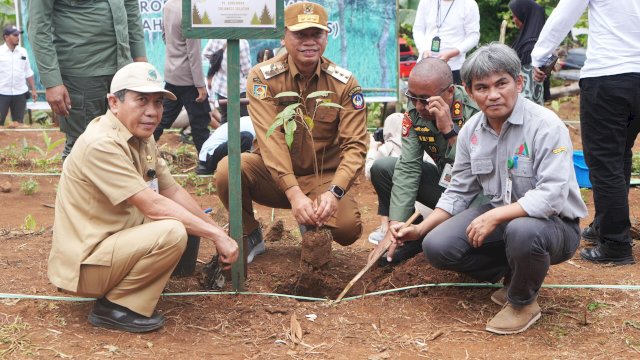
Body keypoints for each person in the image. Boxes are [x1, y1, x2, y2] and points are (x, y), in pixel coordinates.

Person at [386, 43, 587, 334]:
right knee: (436, 246)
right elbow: (458, 191)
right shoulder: (471, 132)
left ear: (518, 83)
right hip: (503, 220)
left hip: (555, 226)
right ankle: (515, 273)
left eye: (501, 83)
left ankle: (521, 302)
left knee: (522, 230)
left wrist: (497, 216)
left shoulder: (545, 125)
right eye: (482, 87)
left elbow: (552, 195)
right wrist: (420, 229)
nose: (493, 95)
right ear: (468, 91)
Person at [49, 62, 238, 333]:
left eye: (158, 102)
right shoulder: (101, 144)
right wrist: (216, 237)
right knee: (172, 230)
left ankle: (124, 290)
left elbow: (171, 190)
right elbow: (152, 204)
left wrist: (217, 230)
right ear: (114, 102)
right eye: (141, 101)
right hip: (87, 265)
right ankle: (115, 306)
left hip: (112, 246)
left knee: (185, 223)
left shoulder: (140, 135)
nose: (152, 112)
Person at [215, 1, 368, 263]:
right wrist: (294, 193)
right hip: (272, 176)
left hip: (321, 178)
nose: (309, 41)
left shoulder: (344, 83)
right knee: (229, 169)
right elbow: (270, 139)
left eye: (316, 34)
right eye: (300, 34)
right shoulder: (263, 77)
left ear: (326, 35)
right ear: (284, 35)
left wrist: (335, 192)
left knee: (347, 229)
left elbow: (355, 145)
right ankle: (251, 233)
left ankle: (313, 222)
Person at [531, 0, 640, 265]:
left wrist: (539, 57)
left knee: (604, 163)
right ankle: (606, 225)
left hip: (609, 77)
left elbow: (562, 16)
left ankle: (615, 245)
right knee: (621, 155)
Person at [370, 58, 480, 264]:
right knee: (384, 168)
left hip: (480, 195)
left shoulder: (475, 111)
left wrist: (450, 131)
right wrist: (396, 227)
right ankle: (411, 238)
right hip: (446, 187)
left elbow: (479, 170)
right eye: (413, 97)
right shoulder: (414, 114)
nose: (419, 106)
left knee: (449, 245)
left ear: (449, 92)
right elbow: (408, 169)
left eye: (426, 100)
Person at [28, 0, 146, 158]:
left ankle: (121, 183)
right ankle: (77, 183)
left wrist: (141, 61)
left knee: (126, 141)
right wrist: (52, 82)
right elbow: (38, 29)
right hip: (81, 75)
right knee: (83, 145)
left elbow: (131, 10)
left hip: (122, 71)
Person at [152, 0, 211, 154]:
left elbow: (165, 36)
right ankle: (206, 164)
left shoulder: (168, 5)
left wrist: (176, 54)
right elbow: (193, 52)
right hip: (189, 78)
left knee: (162, 118)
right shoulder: (190, 10)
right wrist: (200, 84)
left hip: (172, 73)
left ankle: (142, 151)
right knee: (200, 121)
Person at [412, 0, 480, 85]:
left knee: (452, 97)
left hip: (454, 68)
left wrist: (453, 53)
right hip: (425, 66)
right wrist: (423, 50)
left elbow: (473, 36)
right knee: (421, 97)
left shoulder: (469, 4)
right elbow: (418, 29)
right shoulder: (426, 2)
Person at [202, 39, 251, 125]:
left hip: (221, 87)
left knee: (226, 118)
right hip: (239, 88)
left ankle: (224, 137)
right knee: (244, 120)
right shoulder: (242, 42)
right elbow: (246, 69)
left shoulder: (216, 37)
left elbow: (206, 54)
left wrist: (218, 62)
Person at [508, 0, 548, 104]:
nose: (513, 20)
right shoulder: (535, 42)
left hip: (526, 108)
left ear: (524, 16)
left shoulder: (530, 47)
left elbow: (527, 90)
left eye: (514, 16)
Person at [0, 25, 37, 126]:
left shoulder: (23, 52)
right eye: (15, 35)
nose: (18, 37)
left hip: (20, 92)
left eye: (19, 35)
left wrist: (33, 89)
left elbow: (28, 71)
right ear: (6, 37)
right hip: (2, 92)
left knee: (18, 123)